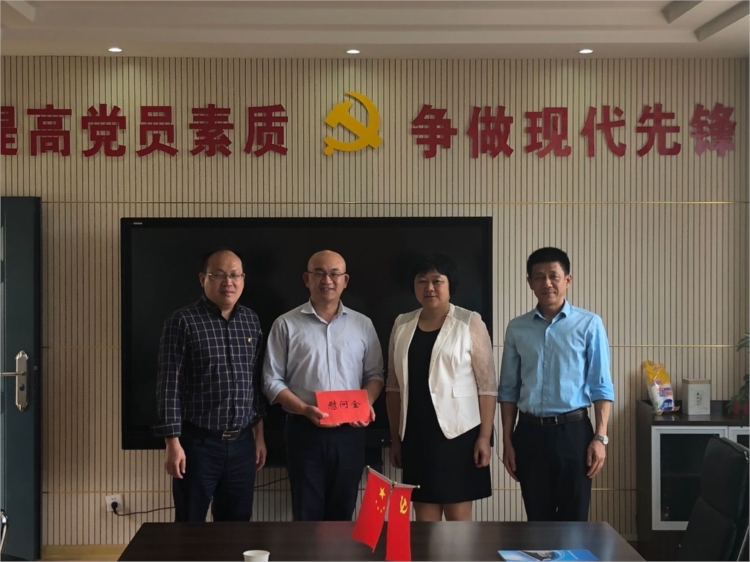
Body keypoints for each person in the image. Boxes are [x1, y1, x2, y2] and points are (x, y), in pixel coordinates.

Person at [262, 250, 384, 521]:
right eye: (319, 273)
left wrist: (366, 404)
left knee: (343, 513)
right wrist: (305, 409)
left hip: (351, 433)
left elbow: (375, 375)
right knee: (306, 515)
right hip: (304, 432)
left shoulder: (363, 324)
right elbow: (271, 380)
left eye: (334, 274)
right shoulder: (285, 324)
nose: (327, 280)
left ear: (345, 280)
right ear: (307, 279)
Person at [498, 247, 614, 522]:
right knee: (538, 521)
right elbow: (509, 389)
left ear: (568, 280)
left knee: (575, 521)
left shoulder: (589, 324)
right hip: (529, 433)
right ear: (530, 282)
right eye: (539, 277)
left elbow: (601, 386)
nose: (546, 283)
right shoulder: (517, 328)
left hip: (573, 433)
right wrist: (507, 440)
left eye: (553, 276)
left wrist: (600, 437)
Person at [154, 249, 267, 522]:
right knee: (189, 524)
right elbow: (168, 385)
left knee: (237, 527)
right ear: (203, 278)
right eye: (219, 275)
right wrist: (172, 443)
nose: (228, 282)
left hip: (242, 444)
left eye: (235, 275)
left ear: (243, 279)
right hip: (198, 445)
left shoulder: (251, 320)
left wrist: (259, 436)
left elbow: (254, 381)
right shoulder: (182, 321)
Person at [386, 252, 496, 521]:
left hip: (459, 436)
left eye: (437, 280)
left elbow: (487, 386)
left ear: (450, 285)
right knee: (424, 523)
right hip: (416, 435)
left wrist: (484, 437)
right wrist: (395, 439)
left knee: (458, 524)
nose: (429, 287)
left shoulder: (469, 321)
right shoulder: (401, 324)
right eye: (422, 281)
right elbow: (393, 387)